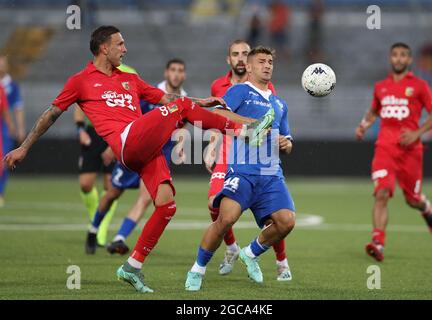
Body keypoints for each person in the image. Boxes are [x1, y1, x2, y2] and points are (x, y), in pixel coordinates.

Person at [4, 26, 273, 293]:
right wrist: (24, 147)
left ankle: (132, 267)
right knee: (183, 110)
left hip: (142, 149)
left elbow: (168, 98)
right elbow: (52, 113)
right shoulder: (80, 81)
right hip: (124, 142)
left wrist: (199, 101)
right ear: (103, 48)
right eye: (119, 44)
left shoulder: (129, 79)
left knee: (167, 205)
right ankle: (245, 130)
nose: (125, 49)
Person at [185, 46, 296, 291]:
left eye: (270, 62)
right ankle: (197, 269)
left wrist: (285, 143)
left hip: (271, 173)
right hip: (242, 170)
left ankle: (250, 253)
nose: (267, 65)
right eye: (262, 61)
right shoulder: (240, 91)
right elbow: (219, 114)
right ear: (251, 66)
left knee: (286, 221)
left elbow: (288, 143)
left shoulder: (280, 104)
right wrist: (250, 125)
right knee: (225, 220)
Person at [355, 42, 432, 262]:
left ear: (409, 60)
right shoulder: (381, 87)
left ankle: (426, 208)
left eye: (403, 55)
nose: (399, 59)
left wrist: (417, 133)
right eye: (395, 55)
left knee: (412, 200)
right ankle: (378, 242)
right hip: (385, 147)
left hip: (411, 150)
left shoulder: (420, 85)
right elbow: (373, 111)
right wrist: (364, 125)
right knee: (382, 193)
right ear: (390, 58)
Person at [101, 58, 188, 255]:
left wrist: (181, 145)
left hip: (157, 154)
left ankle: (119, 238)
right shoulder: (151, 93)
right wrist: (112, 145)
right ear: (166, 73)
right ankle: (94, 228)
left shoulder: (184, 98)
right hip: (134, 148)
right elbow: (128, 117)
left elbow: (182, 126)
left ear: (184, 75)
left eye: (180, 70)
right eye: (173, 70)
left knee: (146, 198)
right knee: (113, 193)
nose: (176, 74)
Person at [74, 104, 117, 249]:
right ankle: (95, 217)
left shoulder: (121, 82)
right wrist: (80, 130)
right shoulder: (89, 82)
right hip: (92, 133)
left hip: (114, 133)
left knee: (110, 186)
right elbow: (79, 105)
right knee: (85, 185)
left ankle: (102, 228)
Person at [0, 55, 24, 206]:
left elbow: (16, 108)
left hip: (4, 128)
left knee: (4, 160)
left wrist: (19, 128)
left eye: (3, 63)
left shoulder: (12, 86)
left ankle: (0, 192)